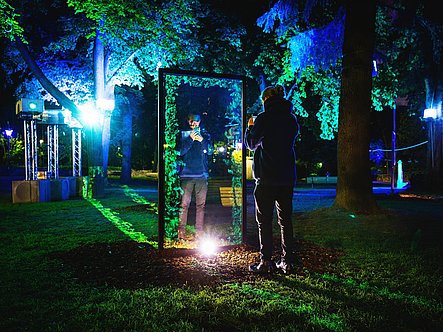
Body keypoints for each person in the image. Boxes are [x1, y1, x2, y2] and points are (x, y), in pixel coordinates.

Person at [245, 85, 299, 274]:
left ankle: (266, 261)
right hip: (286, 177)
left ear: (265, 99)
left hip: (266, 178)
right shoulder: (291, 119)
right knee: (286, 221)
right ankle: (287, 261)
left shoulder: (264, 118)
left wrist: (250, 127)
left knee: (265, 221)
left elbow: (252, 144)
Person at [177, 112, 213, 241]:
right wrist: (190, 139)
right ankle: (180, 232)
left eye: (196, 121)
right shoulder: (183, 134)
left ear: (200, 121)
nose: (194, 123)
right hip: (186, 175)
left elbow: (210, 151)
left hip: (201, 175)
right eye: (191, 121)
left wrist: (202, 140)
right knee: (184, 205)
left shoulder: (205, 134)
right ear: (188, 121)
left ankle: (199, 232)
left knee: (200, 205)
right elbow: (180, 152)